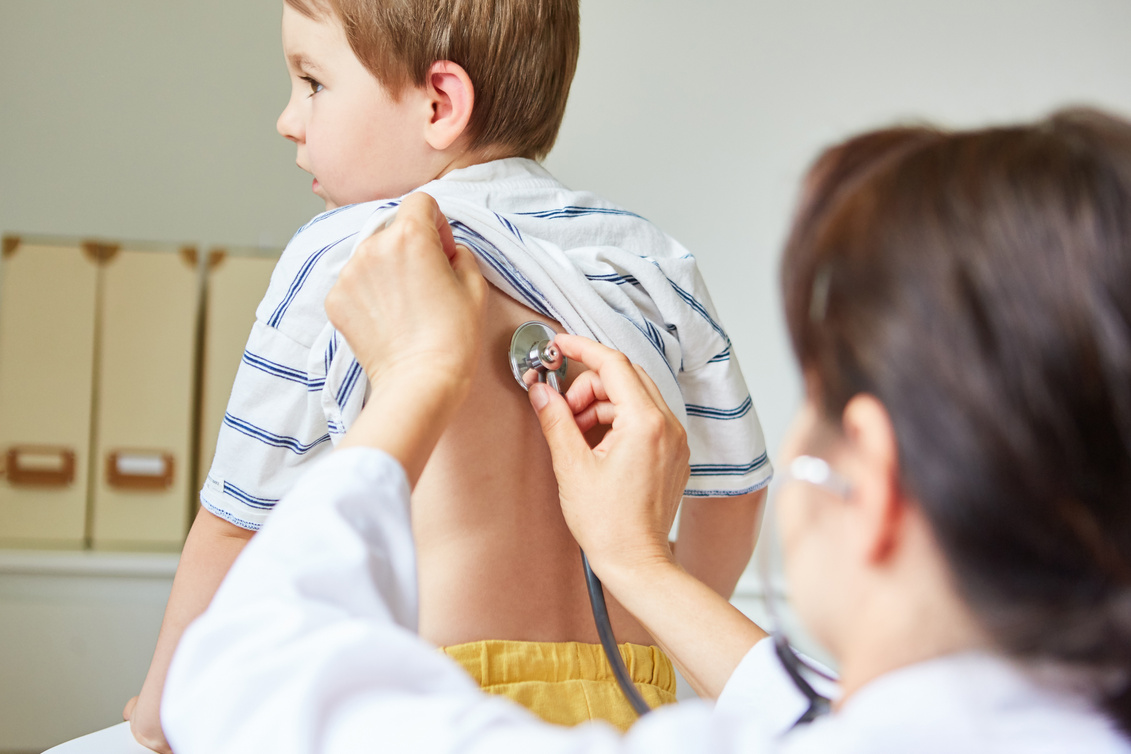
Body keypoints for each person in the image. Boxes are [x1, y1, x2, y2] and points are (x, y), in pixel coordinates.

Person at [164, 107, 1131, 752]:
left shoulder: (340, 253)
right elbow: (805, 717)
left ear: (868, 483)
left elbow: (239, 677)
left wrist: (417, 379)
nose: (290, 117)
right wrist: (633, 563)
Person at [124, 0, 771, 748]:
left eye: (311, 81)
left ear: (441, 104)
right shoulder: (652, 257)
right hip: (634, 692)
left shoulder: (343, 256)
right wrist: (666, 650)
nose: (287, 119)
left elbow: (236, 522)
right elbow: (736, 489)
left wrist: (162, 702)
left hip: (428, 699)